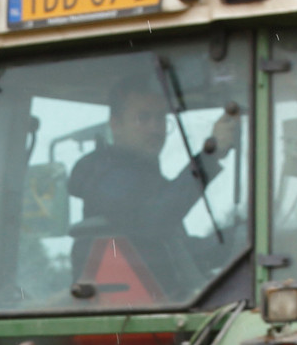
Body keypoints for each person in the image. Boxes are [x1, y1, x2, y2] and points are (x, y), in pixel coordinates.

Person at [67, 82, 241, 292]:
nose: (155, 128)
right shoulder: (104, 177)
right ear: (116, 125)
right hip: (131, 313)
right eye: (143, 118)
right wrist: (210, 155)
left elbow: (180, 252)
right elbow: (154, 222)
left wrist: (241, 241)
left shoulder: (145, 177)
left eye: (160, 119)